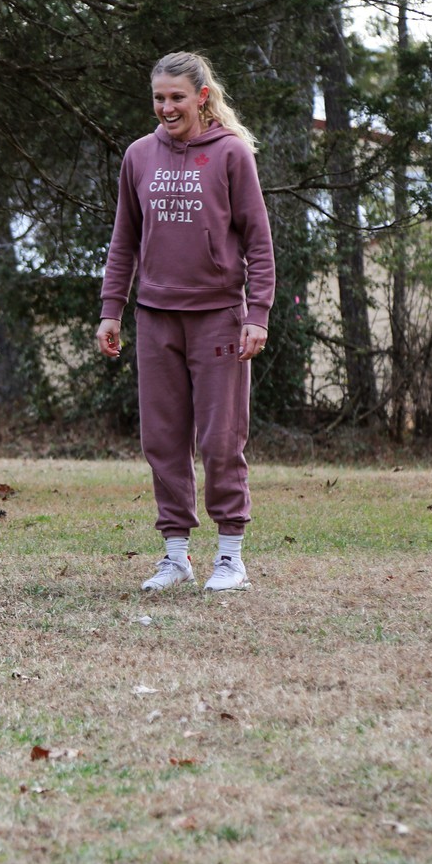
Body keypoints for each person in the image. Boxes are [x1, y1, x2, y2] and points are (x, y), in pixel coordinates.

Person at [96, 52, 275, 595]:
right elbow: (124, 240)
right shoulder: (139, 156)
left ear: (201, 95)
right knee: (162, 439)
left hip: (218, 317)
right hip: (154, 318)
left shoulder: (231, 155)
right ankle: (175, 556)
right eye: (159, 97)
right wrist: (111, 309)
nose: (167, 107)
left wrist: (257, 314)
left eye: (177, 96)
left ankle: (230, 557)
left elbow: (259, 242)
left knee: (222, 439)